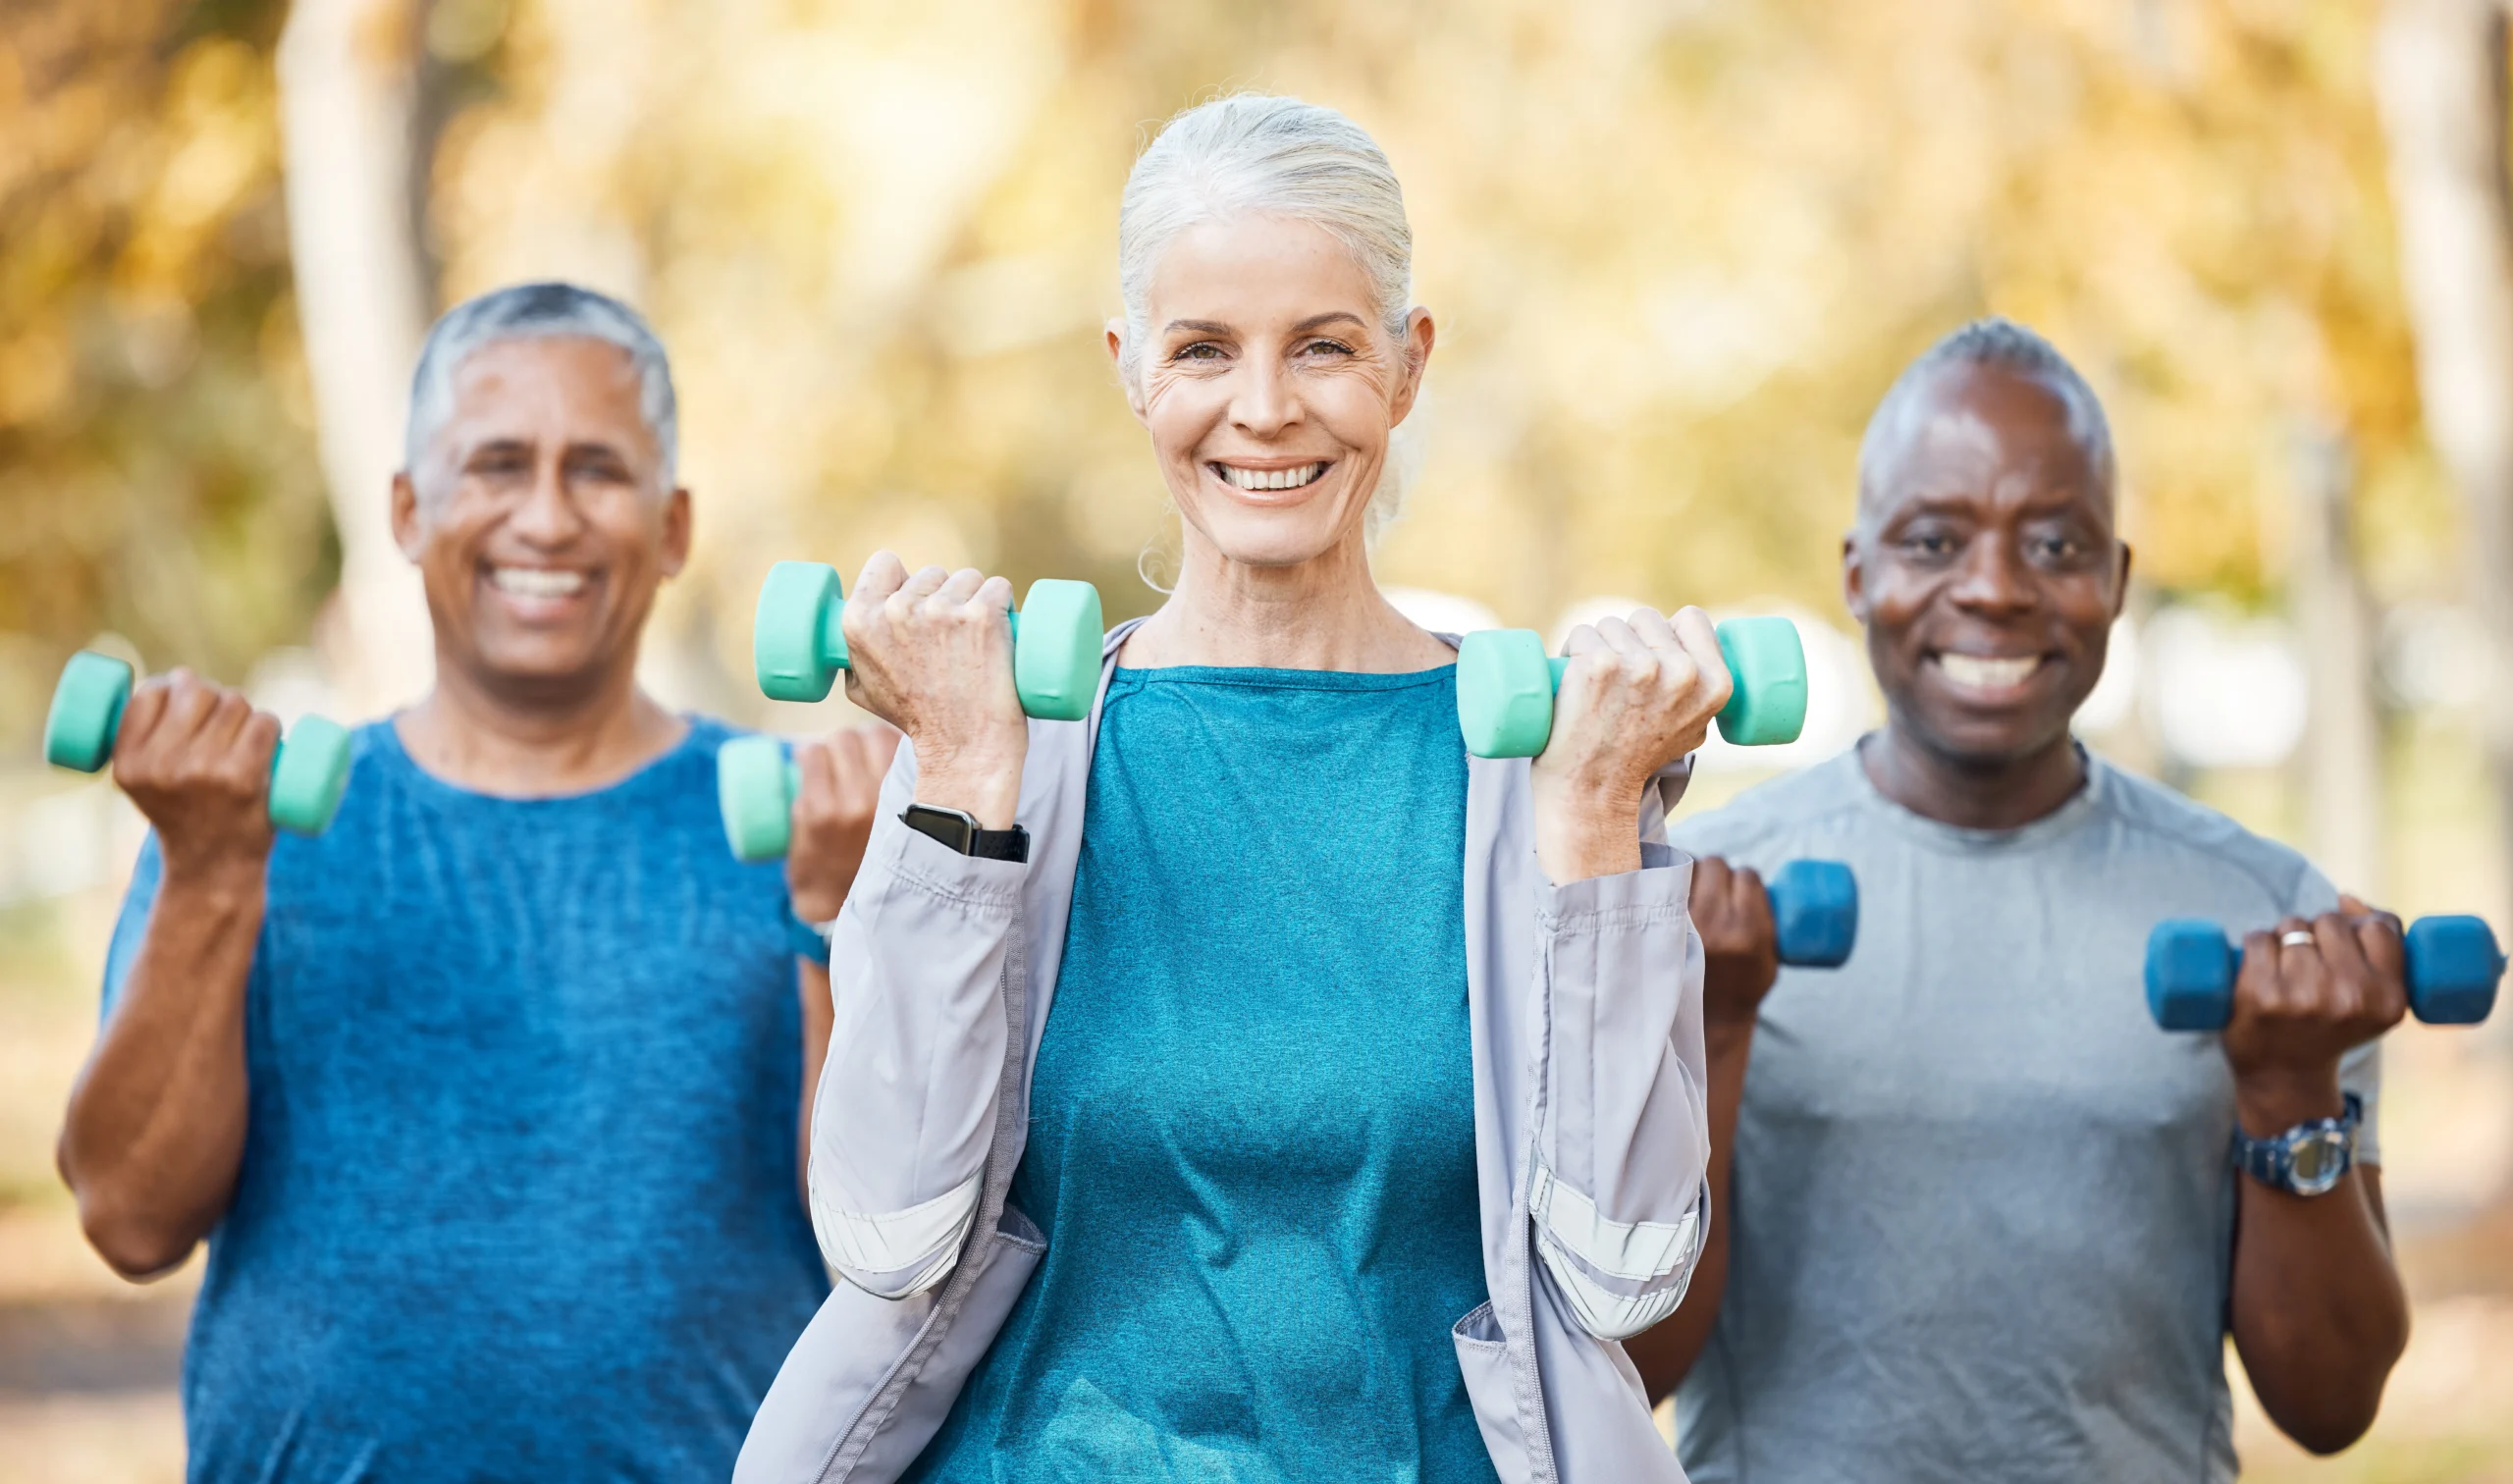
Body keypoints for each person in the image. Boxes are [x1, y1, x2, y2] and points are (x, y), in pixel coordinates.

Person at [739, 95, 1727, 1484]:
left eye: (1322, 346)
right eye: (1204, 349)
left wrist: (1591, 835)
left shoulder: (1541, 776)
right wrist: (958, 783)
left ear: (1408, 361)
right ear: (1131, 367)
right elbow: (884, 1236)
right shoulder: (1010, 750)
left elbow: (1624, 1277)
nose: (1263, 409)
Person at [57, 282, 899, 1482]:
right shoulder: (241, 825)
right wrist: (209, 873)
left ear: (671, 527)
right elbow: (129, 1220)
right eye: (497, 465)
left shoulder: (818, 834)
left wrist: (839, 922)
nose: (546, 518)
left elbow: (881, 1250)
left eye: (597, 470)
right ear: (407, 510)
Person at [1627, 319, 2410, 1481]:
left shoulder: (2264, 914)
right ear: (1856, 574)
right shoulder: (1690, 907)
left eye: (2054, 544)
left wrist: (2289, 1086)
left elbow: (2331, 1403)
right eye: (1934, 540)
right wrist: (1717, 1034)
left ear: (2117, 582)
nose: (1992, 590)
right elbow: (1632, 1369)